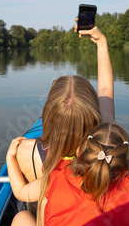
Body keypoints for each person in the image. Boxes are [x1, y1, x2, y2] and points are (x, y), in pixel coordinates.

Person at [6, 123, 129, 226]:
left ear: (78, 151)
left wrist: (10, 158)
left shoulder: (57, 178)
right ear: (124, 164)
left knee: (21, 218)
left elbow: (21, 191)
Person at [14, 23, 115, 183]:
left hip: (47, 205)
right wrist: (101, 42)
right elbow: (105, 88)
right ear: (95, 114)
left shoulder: (26, 150)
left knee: (23, 210)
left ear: (48, 115)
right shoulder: (106, 148)